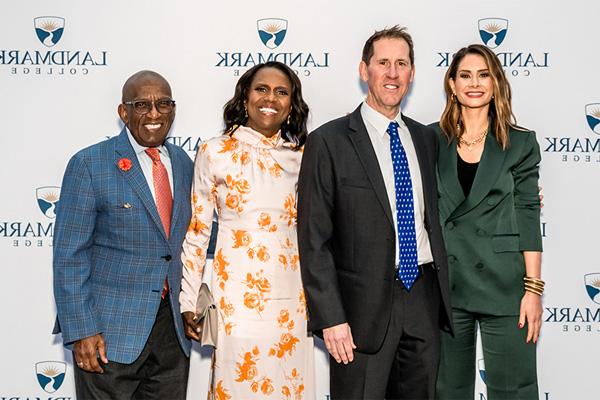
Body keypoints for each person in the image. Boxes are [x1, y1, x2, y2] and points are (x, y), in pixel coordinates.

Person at [297, 26, 452, 399]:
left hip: (423, 297)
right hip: (358, 310)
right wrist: (331, 317)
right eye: (383, 63)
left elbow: (448, 206)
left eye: (401, 64)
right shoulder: (328, 141)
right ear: (364, 69)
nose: (392, 73)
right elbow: (314, 238)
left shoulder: (427, 139)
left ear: (413, 73)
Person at [52, 70, 193, 399]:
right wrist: (82, 329)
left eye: (163, 104)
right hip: (108, 333)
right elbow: (69, 255)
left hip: (171, 333)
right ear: (123, 112)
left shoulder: (185, 163)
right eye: (142, 104)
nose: (154, 114)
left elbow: (194, 237)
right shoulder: (90, 163)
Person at [179, 61, 314, 399]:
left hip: (291, 303)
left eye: (282, 92)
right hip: (235, 299)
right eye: (262, 89)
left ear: (291, 104)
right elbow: (197, 232)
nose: (271, 98)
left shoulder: (303, 157)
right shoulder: (215, 152)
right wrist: (188, 300)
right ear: (245, 98)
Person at [432, 44, 543, 400]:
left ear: (495, 83)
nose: (474, 83)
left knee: (514, 390)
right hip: (447, 286)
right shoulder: (431, 139)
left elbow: (528, 213)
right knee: (447, 391)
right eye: (465, 75)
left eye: (484, 75)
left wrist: (533, 290)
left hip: (505, 284)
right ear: (452, 84)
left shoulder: (521, 143)